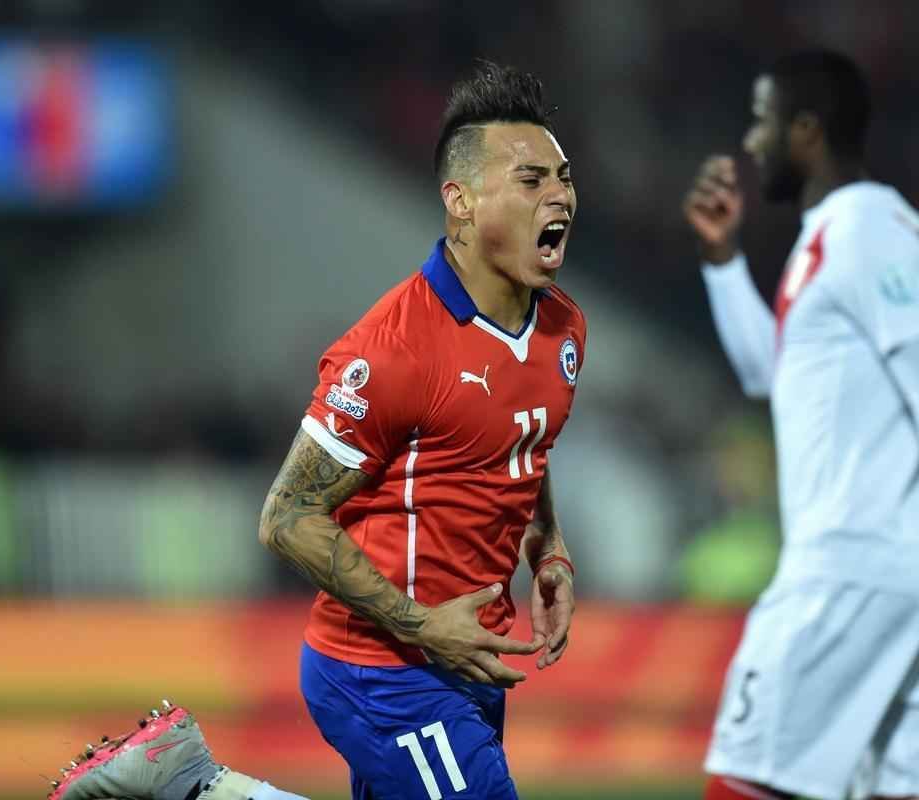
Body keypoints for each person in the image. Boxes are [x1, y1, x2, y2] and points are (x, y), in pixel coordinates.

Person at [51, 60, 582, 800]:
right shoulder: (394, 350)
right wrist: (425, 627)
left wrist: (547, 546)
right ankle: (198, 787)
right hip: (382, 668)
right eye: (531, 180)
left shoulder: (561, 327)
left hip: (469, 661)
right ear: (460, 201)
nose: (559, 195)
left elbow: (523, 438)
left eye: (563, 176)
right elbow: (286, 516)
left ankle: (192, 783)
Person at [683, 50, 919, 800]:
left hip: (851, 568)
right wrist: (722, 263)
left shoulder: (870, 229)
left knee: (745, 778)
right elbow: (773, 375)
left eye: (764, 122)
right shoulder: (828, 237)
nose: (752, 141)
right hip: (902, 577)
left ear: (806, 129)